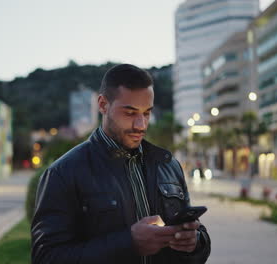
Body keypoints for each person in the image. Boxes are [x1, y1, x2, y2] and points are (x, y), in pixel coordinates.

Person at [31, 64, 211, 264]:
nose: (140, 125)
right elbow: (46, 258)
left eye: (147, 113)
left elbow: (196, 240)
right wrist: (129, 243)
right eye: (130, 113)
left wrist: (195, 243)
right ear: (103, 105)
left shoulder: (167, 165)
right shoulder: (63, 173)